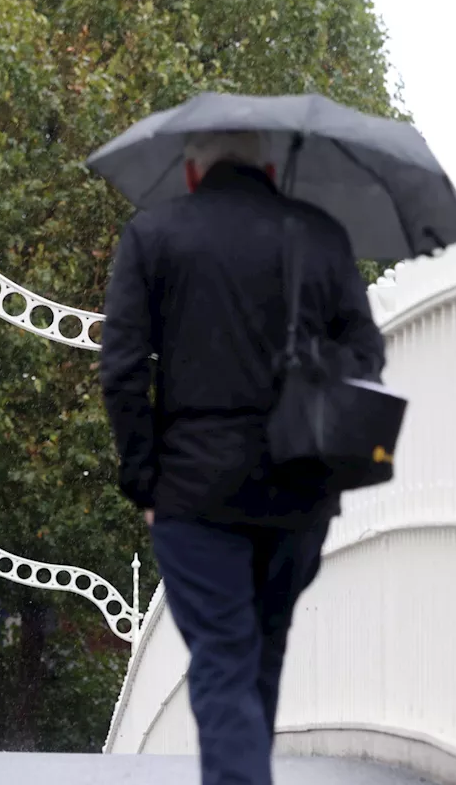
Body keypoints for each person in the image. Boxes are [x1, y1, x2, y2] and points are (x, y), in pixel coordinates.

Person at [99, 131, 385, 785]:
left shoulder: (156, 235)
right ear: (272, 166)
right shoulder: (321, 236)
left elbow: (120, 371)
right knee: (263, 652)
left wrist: (145, 482)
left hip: (194, 487)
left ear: (194, 167)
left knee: (222, 660)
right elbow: (367, 354)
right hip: (301, 483)